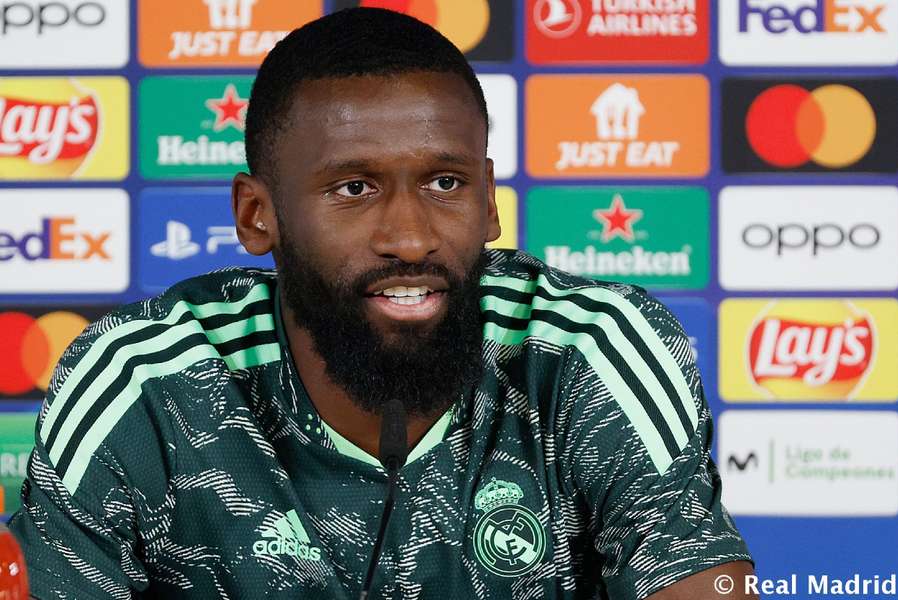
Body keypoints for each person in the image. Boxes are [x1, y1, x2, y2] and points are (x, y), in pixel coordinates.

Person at [9, 8, 756, 599]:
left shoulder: (591, 351)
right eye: (354, 188)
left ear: (490, 202)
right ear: (256, 215)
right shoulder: (144, 385)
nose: (409, 237)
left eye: (445, 184)